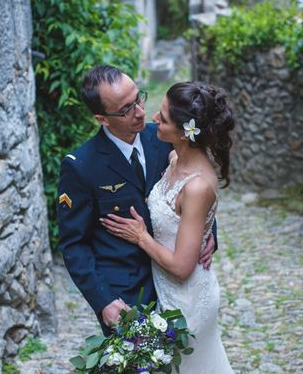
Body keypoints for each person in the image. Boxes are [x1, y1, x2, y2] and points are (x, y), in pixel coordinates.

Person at [57, 66, 216, 335]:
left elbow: (194, 187)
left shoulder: (166, 136)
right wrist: (103, 301)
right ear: (102, 119)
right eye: (125, 109)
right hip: (126, 295)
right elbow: (74, 244)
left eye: (138, 99)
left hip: (175, 286)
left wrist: (209, 230)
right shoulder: (82, 166)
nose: (140, 112)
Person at [101, 81, 235, 373]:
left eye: (162, 117)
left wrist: (141, 237)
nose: (153, 119)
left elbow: (182, 266)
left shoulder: (198, 185)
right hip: (167, 294)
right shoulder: (174, 157)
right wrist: (205, 233)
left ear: (186, 132)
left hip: (187, 300)